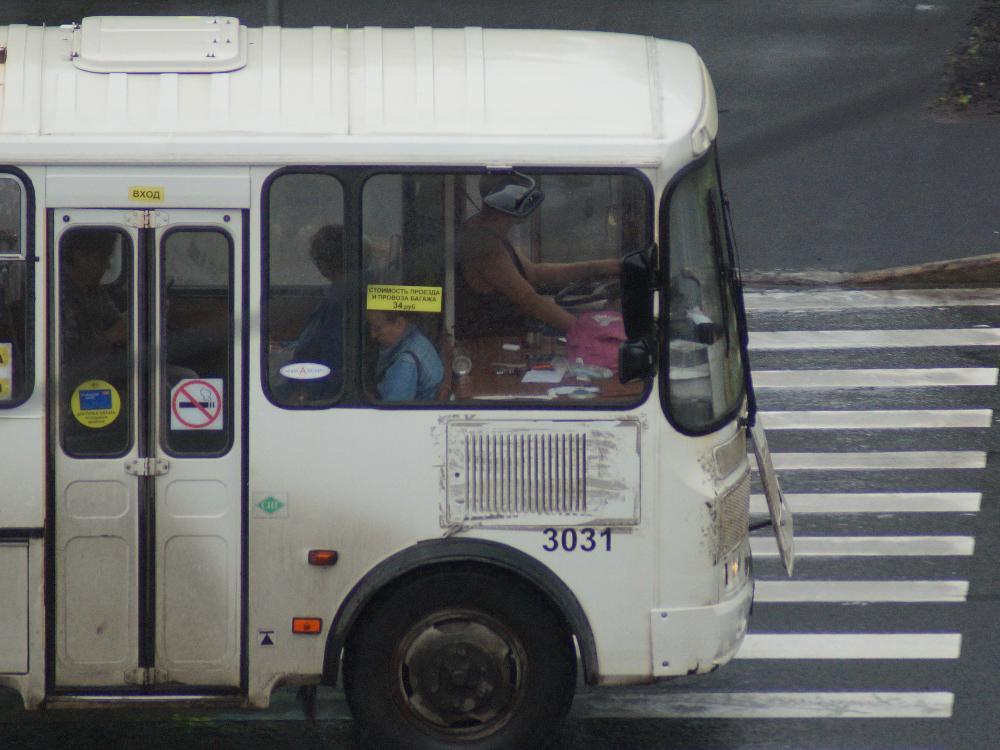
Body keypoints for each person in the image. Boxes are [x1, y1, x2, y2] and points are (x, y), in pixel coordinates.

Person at [455, 172, 621, 338]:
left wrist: (601, 267)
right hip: (492, 343)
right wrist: (591, 334)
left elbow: (534, 273)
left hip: (509, 335)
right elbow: (530, 301)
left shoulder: (490, 232)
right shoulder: (484, 246)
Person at [284, 225, 345, 401]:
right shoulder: (336, 294)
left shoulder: (336, 301)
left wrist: (307, 392)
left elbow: (327, 354)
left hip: (315, 384)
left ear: (324, 263)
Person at [367, 310, 444, 401]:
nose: (373, 335)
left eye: (377, 328)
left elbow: (392, 411)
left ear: (399, 324)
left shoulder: (405, 364)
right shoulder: (418, 340)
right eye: (370, 327)